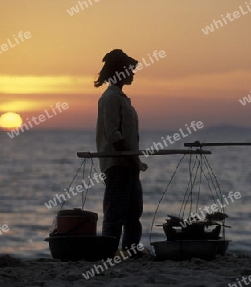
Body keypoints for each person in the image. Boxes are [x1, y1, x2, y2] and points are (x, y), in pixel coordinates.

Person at [94, 49, 148, 252]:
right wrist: (131, 156)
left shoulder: (122, 98)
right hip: (117, 164)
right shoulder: (110, 98)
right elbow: (112, 133)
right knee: (114, 212)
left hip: (129, 163)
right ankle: (108, 253)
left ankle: (130, 251)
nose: (133, 74)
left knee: (134, 212)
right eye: (130, 70)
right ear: (120, 72)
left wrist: (133, 160)